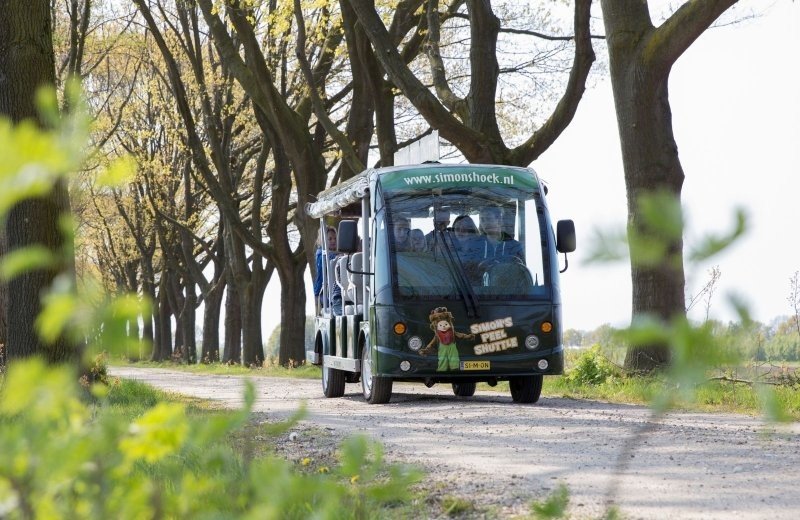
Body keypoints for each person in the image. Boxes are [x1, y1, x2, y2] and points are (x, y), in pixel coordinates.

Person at [313, 226, 337, 314]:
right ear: (322, 240)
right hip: (323, 292)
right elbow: (328, 258)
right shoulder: (321, 254)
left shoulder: (335, 253)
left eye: (335, 238)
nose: (333, 241)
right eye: (330, 239)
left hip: (333, 290)